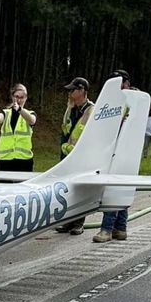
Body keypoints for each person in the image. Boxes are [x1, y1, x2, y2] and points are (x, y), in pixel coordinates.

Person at [95, 70, 134, 243]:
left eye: (119, 82)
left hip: (123, 149)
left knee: (113, 188)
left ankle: (106, 229)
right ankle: (120, 228)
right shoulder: (115, 101)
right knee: (121, 188)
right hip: (116, 148)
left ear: (126, 83)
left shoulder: (128, 101)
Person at [56, 76, 92, 234]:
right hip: (67, 155)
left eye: (73, 90)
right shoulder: (71, 107)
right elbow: (65, 129)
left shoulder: (92, 109)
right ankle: (68, 221)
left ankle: (79, 223)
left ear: (82, 90)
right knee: (68, 190)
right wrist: (68, 109)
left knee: (81, 190)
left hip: (82, 157)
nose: (70, 92)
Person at [0, 83, 36, 173]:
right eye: (16, 96)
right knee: (4, 187)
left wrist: (19, 110)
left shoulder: (30, 113)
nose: (18, 99)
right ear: (12, 97)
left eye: (22, 97)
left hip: (24, 160)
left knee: (22, 187)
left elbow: (32, 121)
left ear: (26, 98)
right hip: (5, 159)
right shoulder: (6, 113)